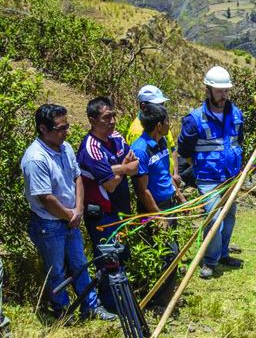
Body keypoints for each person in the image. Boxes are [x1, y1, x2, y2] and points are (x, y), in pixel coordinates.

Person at [21, 104, 115, 320]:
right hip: (49, 224)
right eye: (60, 128)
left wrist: (78, 209)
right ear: (43, 129)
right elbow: (44, 197)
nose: (66, 132)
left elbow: (77, 178)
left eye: (67, 126)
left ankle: (90, 306)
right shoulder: (36, 158)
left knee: (80, 264)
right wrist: (68, 214)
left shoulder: (66, 148)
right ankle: (62, 310)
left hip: (71, 219)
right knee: (56, 271)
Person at [177, 66, 244, 280]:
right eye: (219, 91)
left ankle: (223, 253)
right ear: (208, 90)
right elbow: (184, 150)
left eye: (226, 91)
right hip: (207, 178)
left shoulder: (236, 114)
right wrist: (202, 165)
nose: (223, 95)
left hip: (231, 176)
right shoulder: (194, 119)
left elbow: (238, 141)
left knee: (230, 216)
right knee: (214, 218)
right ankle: (210, 260)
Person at [77, 96, 137, 311]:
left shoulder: (117, 137)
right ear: (92, 119)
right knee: (107, 257)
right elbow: (110, 185)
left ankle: (121, 297)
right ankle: (110, 303)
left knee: (122, 253)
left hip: (120, 210)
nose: (111, 121)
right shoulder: (91, 148)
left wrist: (116, 168)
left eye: (113, 115)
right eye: (106, 117)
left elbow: (136, 164)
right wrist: (123, 167)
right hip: (101, 213)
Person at [131, 103, 186, 306]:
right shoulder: (140, 149)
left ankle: (168, 294)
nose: (169, 126)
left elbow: (166, 175)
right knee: (166, 254)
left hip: (169, 204)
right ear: (158, 125)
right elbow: (142, 190)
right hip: (155, 208)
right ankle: (159, 301)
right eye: (167, 122)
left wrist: (180, 198)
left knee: (173, 250)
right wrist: (158, 215)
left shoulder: (161, 142)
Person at [125, 85, 181, 188]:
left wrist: (175, 174)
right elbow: (142, 168)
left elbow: (172, 148)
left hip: (169, 183)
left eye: (162, 105)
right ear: (143, 106)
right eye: (157, 105)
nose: (162, 109)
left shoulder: (161, 122)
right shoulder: (137, 131)